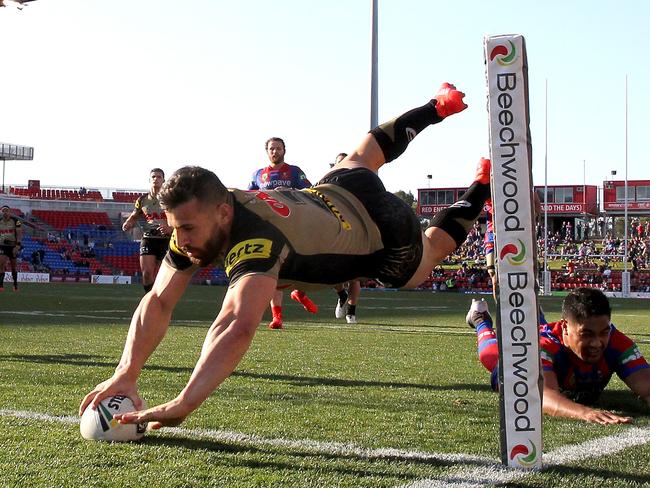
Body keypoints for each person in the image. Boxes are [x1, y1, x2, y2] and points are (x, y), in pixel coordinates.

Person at [80, 82, 481, 429]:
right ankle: (437, 105)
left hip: (380, 233)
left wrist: (186, 401)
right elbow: (158, 299)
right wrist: (126, 371)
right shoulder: (209, 211)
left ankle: (482, 185)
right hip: (337, 188)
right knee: (367, 150)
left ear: (222, 212)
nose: (180, 239)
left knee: (428, 256)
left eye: (187, 229)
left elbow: (234, 325)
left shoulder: (253, 243)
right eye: (176, 227)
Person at [467, 288, 650, 424]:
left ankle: (535, 314)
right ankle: (480, 319)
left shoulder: (616, 342)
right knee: (490, 356)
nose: (596, 343)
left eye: (604, 332)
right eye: (586, 334)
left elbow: (646, 386)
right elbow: (542, 396)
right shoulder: (540, 347)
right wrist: (585, 413)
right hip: (534, 347)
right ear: (566, 328)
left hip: (555, 338)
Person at [248, 137, 317, 329]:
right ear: (267, 151)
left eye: (278, 148)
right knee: (274, 270)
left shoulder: (294, 172)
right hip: (270, 228)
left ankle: (300, 293)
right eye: (271, 149)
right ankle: (277, 317)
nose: (275, 152)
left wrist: (289, 191)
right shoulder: (258, 175)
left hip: (294, 224)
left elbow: (311, 191)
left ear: (284, 150)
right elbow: (248, 197)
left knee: (303, 262)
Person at [122, 168, 172, 294]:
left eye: (159, 177)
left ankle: (161, 299)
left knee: (164, 274)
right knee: (147, 273)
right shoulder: (142, 200)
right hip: (149, 238)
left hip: (167, 239)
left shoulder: (171, 199)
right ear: (150, 180)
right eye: (153, 177)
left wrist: (170, 228)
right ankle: (148, 298)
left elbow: (181, 218)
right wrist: (128, 222)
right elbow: (134, 215)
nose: (156, 179)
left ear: (164, 180)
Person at [330, 152, 362, 324]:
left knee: (354, 276)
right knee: (331, 273)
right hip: (334, 232)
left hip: (355, 232)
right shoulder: (327, 181)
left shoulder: (359, 182)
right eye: (338, 162)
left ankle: (351, 312)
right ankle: (341, 294)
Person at [0, 205, 23, 291]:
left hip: (13, 246)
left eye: (6, 210)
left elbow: (19, 233)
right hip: (2, 245)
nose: (5, 212)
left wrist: (17, 245)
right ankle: (1, 285)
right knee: (1, 263)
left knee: (13, 266)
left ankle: (15, 284)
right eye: (3, 211)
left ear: (10, 211)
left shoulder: (16, 221)